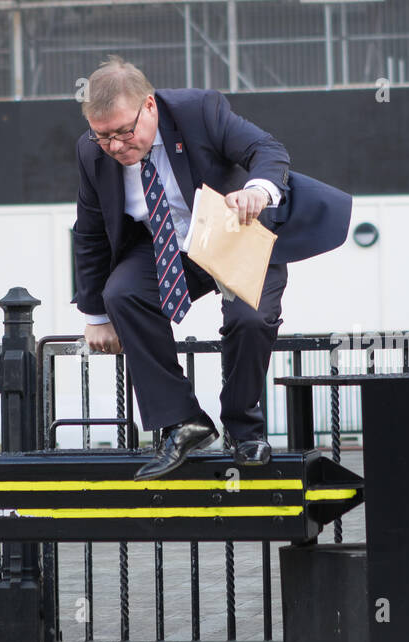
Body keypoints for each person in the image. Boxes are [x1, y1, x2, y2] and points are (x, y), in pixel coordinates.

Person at [72, 56, 350, 478]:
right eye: (102, 136)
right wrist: (95, 317)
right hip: (164, 245)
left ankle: (244, 428)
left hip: (233, 227)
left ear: (150, 106)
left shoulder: (198, 111)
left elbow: (267, 150)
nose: (115, 146)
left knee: (250, 318)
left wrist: (258, 190)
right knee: (121, 294)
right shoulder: (90, 153)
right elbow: (90, 232)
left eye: (124, 132)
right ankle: (184, 422)